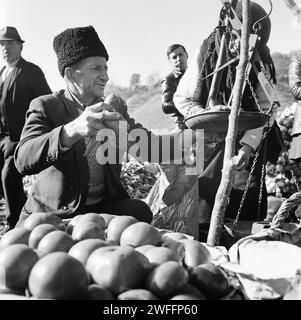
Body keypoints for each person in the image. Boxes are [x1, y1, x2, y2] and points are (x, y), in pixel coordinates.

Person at [14, 26, 194, 227]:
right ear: (72, 74)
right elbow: (23, 159)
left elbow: (149, 147)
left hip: (100, 208)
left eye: (106, 68)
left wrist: (187, 142)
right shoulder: (46, 106)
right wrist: (70, 131)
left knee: (139, 211)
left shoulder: (111, 109)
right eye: (96, 68)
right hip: (56, 211)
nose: (105, 76)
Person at [174, 1, 283, 226]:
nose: (240, 47)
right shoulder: (207, 51)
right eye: (236, 39)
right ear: (228, 29)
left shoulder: (260, 59)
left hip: (245, 142)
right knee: (204, 203)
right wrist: (208, 112)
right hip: (208, 142)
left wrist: (248, 146)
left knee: (245, 202)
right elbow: (182, 98)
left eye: (250, 43)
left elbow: (268, 108)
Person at [0, 26, 51, 233]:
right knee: (4, 182)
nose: (5, 48)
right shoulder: (2, 73)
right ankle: (24, 211)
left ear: (20, 47)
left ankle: (14, 228)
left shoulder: (31, 71)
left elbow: (46, 101)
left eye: (10, 43)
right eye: (2, 44)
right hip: (3, 138)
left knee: (8, 176)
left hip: (23, 138)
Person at [161, 44, 188, 131]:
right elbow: (166, 106)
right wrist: (187, 103)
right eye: (174, 57)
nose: (178, 59)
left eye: (180, 55)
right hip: (183, 126)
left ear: (186, 55)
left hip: (202, 118)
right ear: (170, 61)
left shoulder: (196, 74)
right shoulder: (168, 80)